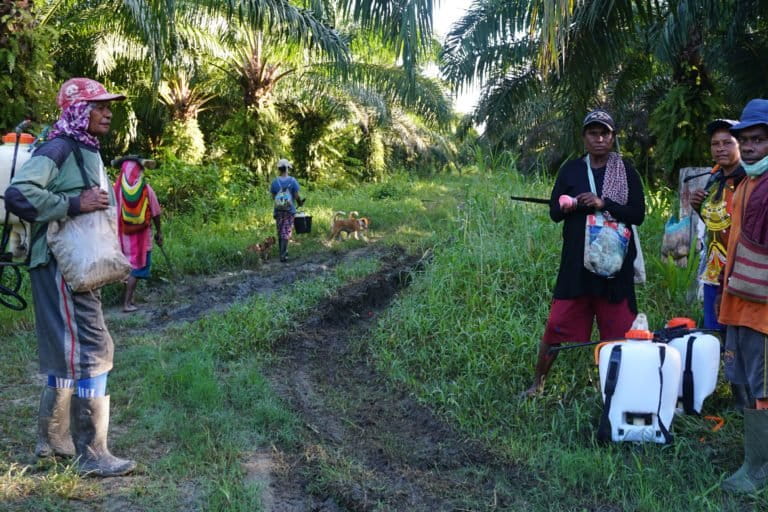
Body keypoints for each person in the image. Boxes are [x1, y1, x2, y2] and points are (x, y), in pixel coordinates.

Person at [4, 78, 136, 477]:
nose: (108, 113)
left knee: (67, 350)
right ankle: (92, 454)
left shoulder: (83, 147)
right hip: (60, 265)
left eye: (109, 106)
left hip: (70, 265)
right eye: (99, 107)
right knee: (93, 348)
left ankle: (53, 442)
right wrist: (74, 203)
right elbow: (18, 194)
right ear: (79, 111)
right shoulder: (59, 148)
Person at [523, 109, 645, 397]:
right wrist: (570, 205)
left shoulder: (626, 171)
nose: (599, 139)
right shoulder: (572, 170)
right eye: (593, 133)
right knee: (556, 325)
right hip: (577, 265)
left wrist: (604, 203)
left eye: (605, 134)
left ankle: (620, 393)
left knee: (619, 333)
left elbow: (637, 215)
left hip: (614, 267)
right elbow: (555, 212)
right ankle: (538, 384)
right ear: (584, 137)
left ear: (613, 138)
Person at [718, 99, 768, 493]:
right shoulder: (747, 182)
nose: (749, 146)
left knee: (763, 387)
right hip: (740, 296)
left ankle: (758, 469)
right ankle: (754, 459)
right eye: (745, 139)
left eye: (758, 139)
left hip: (762, 306)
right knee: (751, 384)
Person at [689, 120, 751, 410]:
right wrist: (697, 207)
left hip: (742, 272)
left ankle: (753, 401)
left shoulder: (750, 180)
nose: (720, 148)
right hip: (714, 271)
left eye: (728, 142)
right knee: (722, 335)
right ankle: (737, 399)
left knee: (745, 335)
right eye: (715, 143)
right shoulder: (714, 179)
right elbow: (717, 225)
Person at [113, 155, 163, 312]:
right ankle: (127, 303)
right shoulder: (145, 189)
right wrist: (159, 232)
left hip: (122, 237)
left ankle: (130, 299)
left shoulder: (116, 190)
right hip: (141, 239)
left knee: (127, 268)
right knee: (137, 269)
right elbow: (156, 213)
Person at [269, 158, 301, 262]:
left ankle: (281, 253)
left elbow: (273, 197)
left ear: (279, 169)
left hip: (278, 211)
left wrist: (281, 200)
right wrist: (299, 202)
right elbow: (296, 195)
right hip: (289, 211)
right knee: (286, 232)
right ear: (287, 168)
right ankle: (283, 255)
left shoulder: (275, 182)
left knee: (280, 231)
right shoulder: (293, 181)